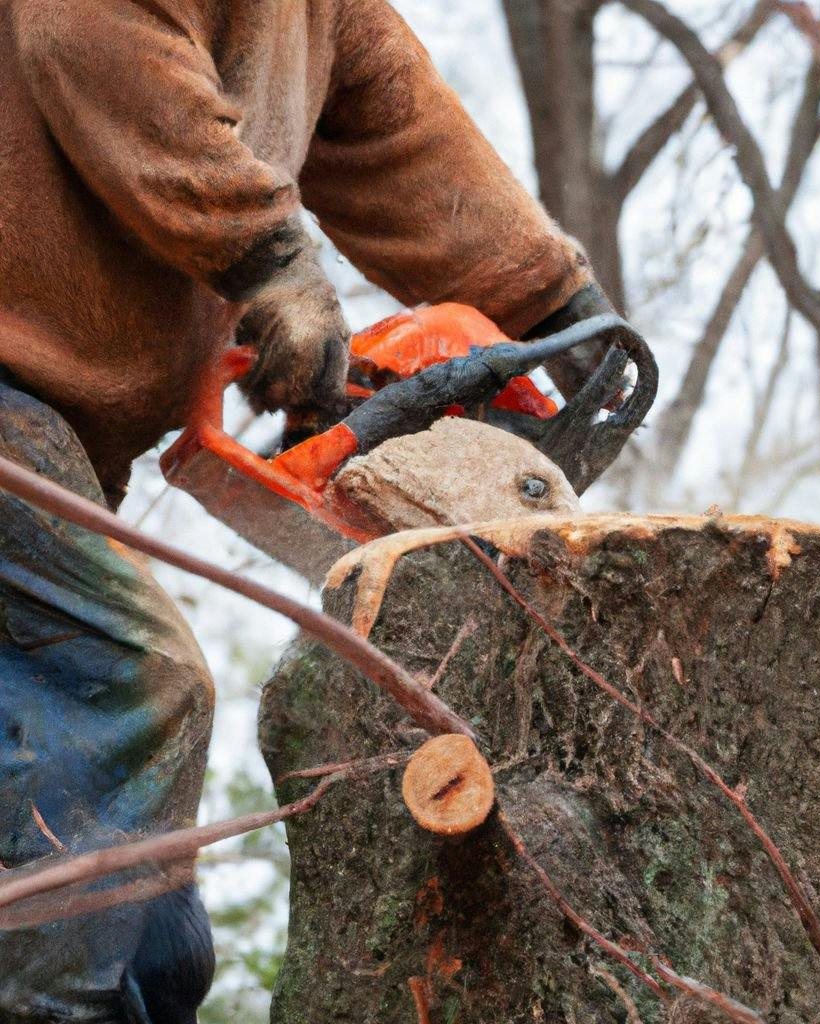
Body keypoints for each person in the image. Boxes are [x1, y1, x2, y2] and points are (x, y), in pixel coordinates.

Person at [0, 2, 616, 1021]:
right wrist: (269, 259)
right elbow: (90, 33)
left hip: (58, 435)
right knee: (130, 685)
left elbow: (396, 128)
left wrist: (549, 306)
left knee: (145, 921)